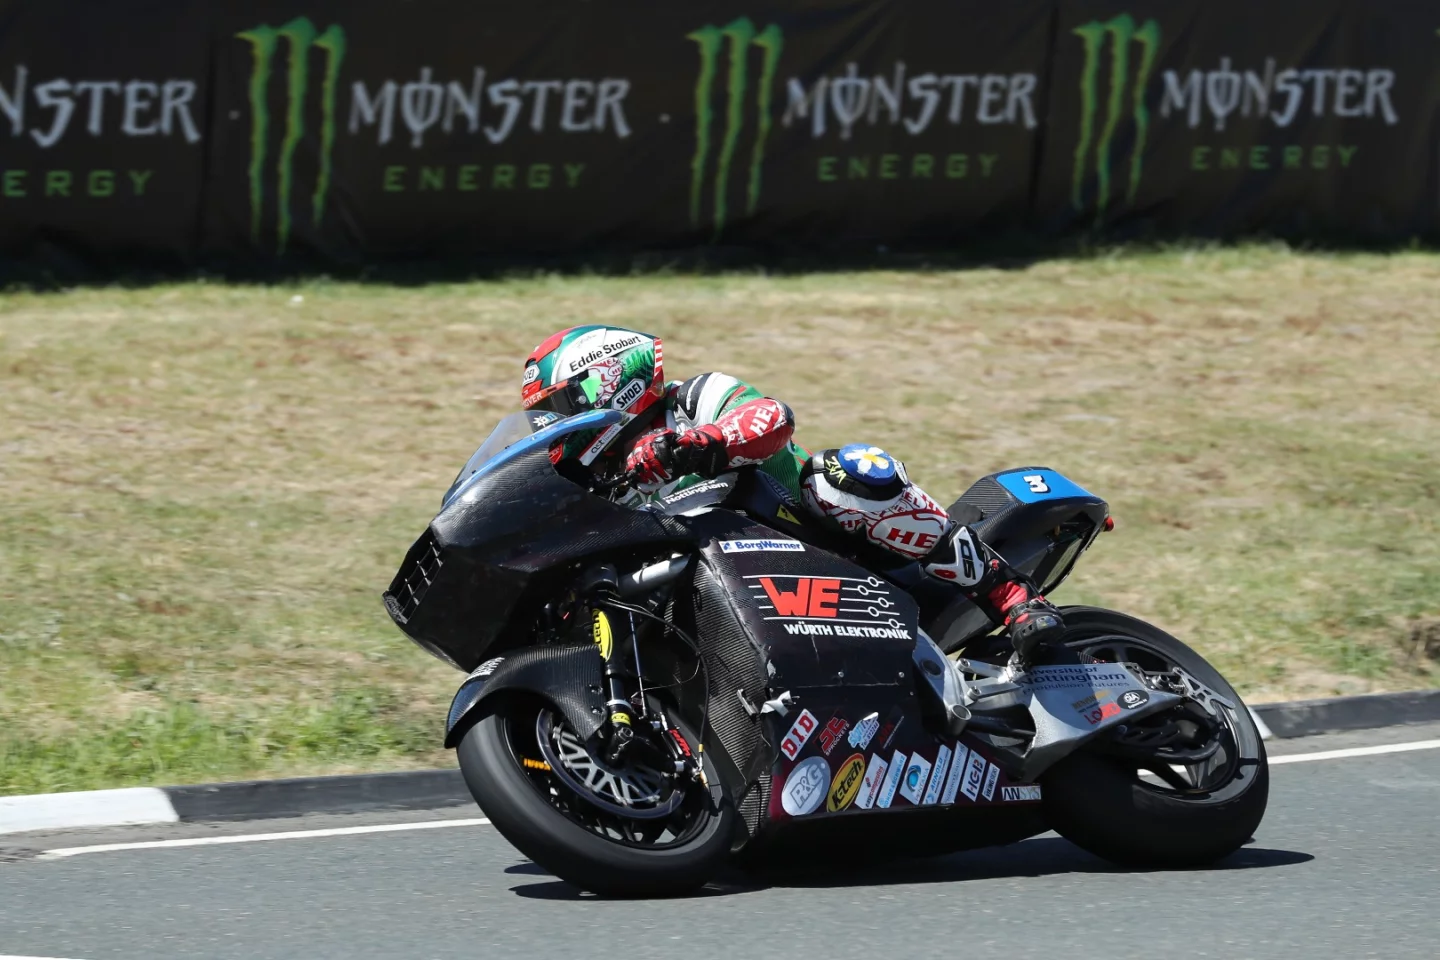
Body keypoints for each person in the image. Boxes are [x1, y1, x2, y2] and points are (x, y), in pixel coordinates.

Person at [520, 324, 1065, 662]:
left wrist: (689, 445)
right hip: (739, 595)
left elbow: (771, 418)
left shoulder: (695, 397)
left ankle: (1012, 598)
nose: (553, 426)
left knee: (847, 471)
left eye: (560, 407)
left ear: (611, 379)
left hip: (819, 539)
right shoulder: (606, 483)